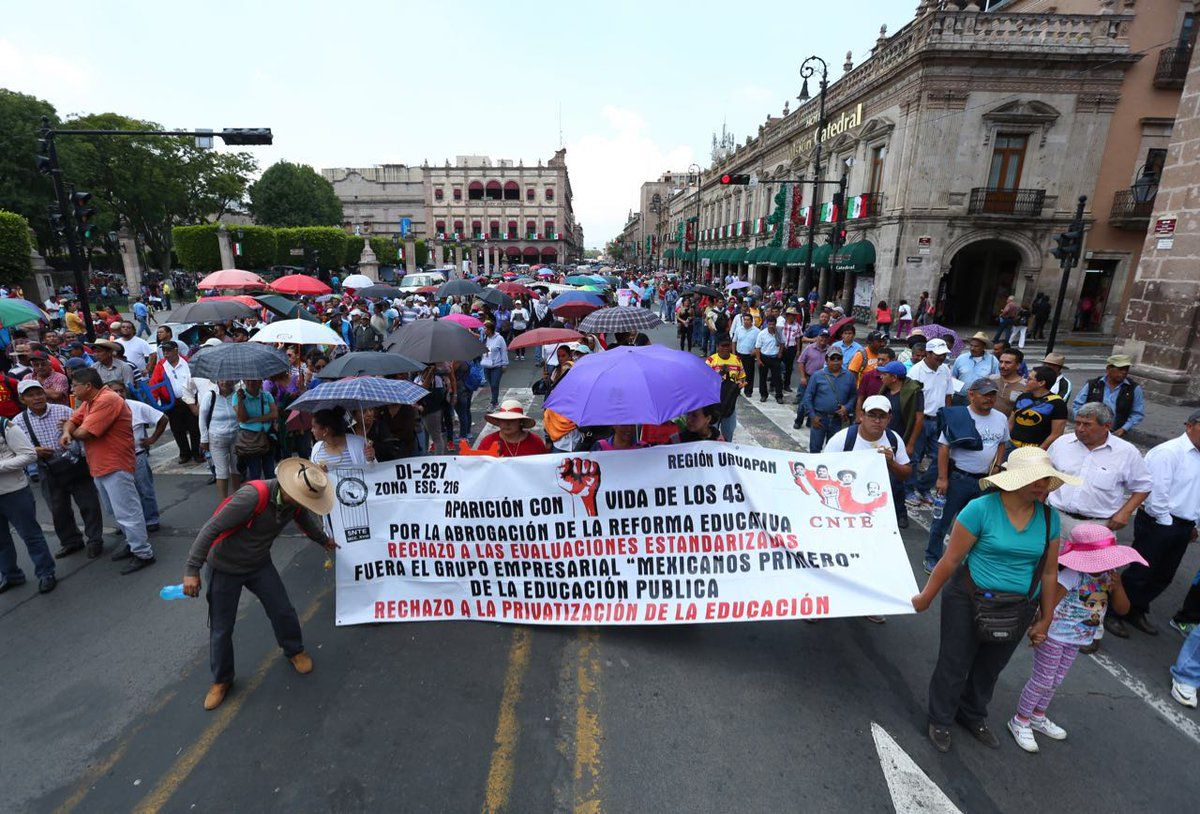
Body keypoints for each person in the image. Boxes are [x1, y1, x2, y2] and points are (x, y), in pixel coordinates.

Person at [913, 446, 1077, 753]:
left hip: (1019, 605)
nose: (1042, 485)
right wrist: (926, 597)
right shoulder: (980, 509)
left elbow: (1049, 573)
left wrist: (1046, 617)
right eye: (1035, 478)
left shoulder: (1049, 518)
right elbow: (950, 561)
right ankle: (941, 718)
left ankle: (972, 714)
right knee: (955, 661)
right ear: (1014, 478)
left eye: (1046, 479)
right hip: (968, 597)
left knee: (990, 666)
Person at [182, 458, 338, 711]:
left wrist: (323, 540)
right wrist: (192, 569)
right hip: (225, 567)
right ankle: (221, 680)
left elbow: (305, 520)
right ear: (288, 489)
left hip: (258, 563)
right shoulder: (252, 496)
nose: (304, 505)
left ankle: (294, 649)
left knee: (282, 609)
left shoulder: (294, 504)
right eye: (303, 500)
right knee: (222, 627)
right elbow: (210, 528)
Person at [1007, 523, 1137, 752]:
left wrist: (1117, 588)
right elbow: (1049, 603)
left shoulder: (1110, 577)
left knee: (1055, 680)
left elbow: (1124, 609)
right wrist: (1039, 627)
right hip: (1055, 634)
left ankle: (1038, 715)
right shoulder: (1071, 575)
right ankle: (1020, 720)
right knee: (1043, 680)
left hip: (1078, 637)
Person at [1046, 401, 1152, 652]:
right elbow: (1045, 476)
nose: (1080, 429)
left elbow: (1143, 485)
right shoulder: (1062, 444)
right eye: (1078, 423)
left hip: (1097, 528)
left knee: (1096, 582)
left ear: (1107, 426)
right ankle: (1045, 615)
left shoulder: (1126, 453)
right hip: (1057, 519)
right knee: (1049, 570)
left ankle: (1091, 630)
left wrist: (1126, 511)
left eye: (1087, 424)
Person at [1109, 410, 1200, 639]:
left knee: (1163, 574)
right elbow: (1157, 491)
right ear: (1189, 425)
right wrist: (1166, 523)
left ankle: (1137, 609)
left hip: (1184, 524)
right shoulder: (1168, 452)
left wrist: (1194, 524)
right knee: (1140, 571)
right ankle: (1114, 613)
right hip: (1160, 521)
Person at [61, 367, 155, 573]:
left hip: (115, 463)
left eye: (74, 385)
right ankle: (133, 544)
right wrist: (68, 430)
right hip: (100, 465)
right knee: (117, 511)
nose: (72, 389)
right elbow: (73, 421)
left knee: (127, 511)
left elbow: (85, 432)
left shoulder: (107, 400)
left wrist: (69, 432)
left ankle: (143, 552)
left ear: (87, 386)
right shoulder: (89, 402)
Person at [924, 378, 1010, 575]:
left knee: (974, 525)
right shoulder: (958, 416)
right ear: (971, 394)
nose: (990, 399)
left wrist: (996, 466)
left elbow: (1003, 442)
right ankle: (932, 557)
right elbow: (944, 448)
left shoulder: (1001, 418)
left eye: (993, 395)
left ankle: (964, 559)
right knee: (942, 521)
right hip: (957, 479)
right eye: (985, 394)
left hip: (984, 482)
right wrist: (943, 478)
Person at [18, 380, 103, 558]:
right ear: (23, 399)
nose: (37, 398)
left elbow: (86, 429)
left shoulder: (63, 410)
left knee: (89, 504)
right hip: (47, 468)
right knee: (58, 509)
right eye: (31, 395)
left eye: (39, 393)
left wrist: (73, 430)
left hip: (74, 464)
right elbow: (16, 449)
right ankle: (71, 541)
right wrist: (34, 451)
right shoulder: (18, 422)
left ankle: (95, 539)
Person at [827, 395, 913, 531]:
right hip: (846, 506)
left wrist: (891, 463)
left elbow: (906, 474)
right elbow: (824, 470)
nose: (877, 421)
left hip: (877, 509)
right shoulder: (842, 439)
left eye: (882, 416)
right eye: (872, 415)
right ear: (862, 416)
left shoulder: (894, 439)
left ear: (889, 419)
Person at [0, 408, 57, 594]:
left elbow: (30, 455)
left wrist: (1, 466)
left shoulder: (5, 427)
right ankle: (10, 574)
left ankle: (46, 572)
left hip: (14, 492)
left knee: (30, 535)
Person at [106, 381, 167, 533]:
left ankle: (151, 519)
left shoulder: (136, 407)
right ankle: (126, 523)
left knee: (144, 490)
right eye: (115, 392)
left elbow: (163, 418)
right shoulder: (102, 410)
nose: (119, 394)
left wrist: (152, 439)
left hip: (136, 456)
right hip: (114, 460)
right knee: (120, 495)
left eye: (121, 391)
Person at [905, 338, 955, 506]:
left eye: (943, 355)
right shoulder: (915, 372)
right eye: (938, 355)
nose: (941, 358)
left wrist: (948, 417)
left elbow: (949, 395)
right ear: (928, 353)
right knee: (914, 457)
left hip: (939, 419)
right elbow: (910, 401)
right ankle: (909, 489)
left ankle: (923, 486)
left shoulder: (945, 370)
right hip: (921, 420)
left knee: (939, 456)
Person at [798, 348, 856, 452]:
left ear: (842, 360)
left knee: (834, 450)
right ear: (827, 360)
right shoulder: (817, 375)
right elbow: (808, 397)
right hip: (819, 419)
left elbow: (853, 396)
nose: (836, 361)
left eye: (839, 358)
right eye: (832, 358)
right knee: (815, 449)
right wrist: (812, 416)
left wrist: (846, 408)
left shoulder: (849, 376)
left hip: (837, 420)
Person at [1072, 354, 1144, 438]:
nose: (1124, 372)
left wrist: (1123, 429)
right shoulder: (1093, 384)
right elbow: (1077, 405)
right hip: (1090, 432)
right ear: (1108, 369)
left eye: (1126, 369)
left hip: (1116, 434)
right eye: (1120, 369)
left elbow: (1137, 413)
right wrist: (1083, 424)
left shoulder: (1134, 388)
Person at [155, 340, 203, 464]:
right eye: (164, 351)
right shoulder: (161, 365)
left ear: (176, 350)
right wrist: (156, 401)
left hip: (190, 401)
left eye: (168, 350)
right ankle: (184, 453)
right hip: (172, 403)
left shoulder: (188, 362)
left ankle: (197, 453)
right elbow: (154, 383)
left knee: (195, 428)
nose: (166, 354)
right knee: (177, 430)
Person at [1009, 366, 1068, 451]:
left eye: (1029, 379)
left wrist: (1038, 451)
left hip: (1035, 449)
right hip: (1011, 445)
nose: (1026, 381)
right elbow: (1011, 422)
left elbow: (1056, 434)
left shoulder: (1057, 403)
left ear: (1041, 383)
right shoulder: (1022, 397)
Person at [200, 380, 241, 499]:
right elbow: (202, 418)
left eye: (228, 379)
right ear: (217, 381)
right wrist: (204, 439)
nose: (225, 382)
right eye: (222, 379)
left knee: (236, 468)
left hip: (236, 436)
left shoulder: (237, 395)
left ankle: (237, 498)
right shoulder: (210, 396)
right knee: (222, 471)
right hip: (217, 438)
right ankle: (224, 502)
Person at [233, 379, 278, 481]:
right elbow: (242, 419)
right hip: (249, 441)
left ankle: (271, 495)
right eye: (248, 380)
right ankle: (257, 496)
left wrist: (254, 419)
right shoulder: (237, 396)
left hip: (267, 437)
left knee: (270, 472)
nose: (251, 383)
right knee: (255, 473)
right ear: (244, 381)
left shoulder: (266, 395)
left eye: (254, 380)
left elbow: (274, 414)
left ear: (260, 381)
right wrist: (240, 400)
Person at [706, 334, 746, 444]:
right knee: (711, 435)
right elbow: (704, 382)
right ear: (717, 346)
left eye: (727, 346)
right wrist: (721, 373)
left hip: (730, 404)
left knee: (728, 435)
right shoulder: (710, 361)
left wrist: (740, 384)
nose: (725, 348)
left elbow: (742, 378)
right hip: (714, 404)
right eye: (722, 346)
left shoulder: (737, 360)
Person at [477, 400, 547, 457]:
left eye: (512, 420)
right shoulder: (488, 442)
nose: (507, 424)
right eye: (503, 419)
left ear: (520, 421)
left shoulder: (535, 443)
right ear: (498, 421)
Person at [480, 321, 508, 411]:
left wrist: (504, 364)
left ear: (490, 329)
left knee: (495, 384)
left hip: (497, 365)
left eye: (485, 329)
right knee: (491, 385)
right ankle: (494, 400)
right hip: (486, 365)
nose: (484, 330)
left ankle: (494, 402)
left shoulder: (499, 339)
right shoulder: (485, 338)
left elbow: (504, 351)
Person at [753, 318, 783, 403]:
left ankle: (779, 396)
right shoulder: (762, 334)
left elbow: (782, 342)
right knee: (763, 378)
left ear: (775, 324)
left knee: (777, 378)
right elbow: (758, 347)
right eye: (770, 324)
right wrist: (758, 359)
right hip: (764, 357)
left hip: (775, 358)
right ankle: (763, 395)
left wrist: (780, 352)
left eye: (773, 324)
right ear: (767, 324)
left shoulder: (779, 333)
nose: (771, 326)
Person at [732, 313, 760, 397]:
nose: (746, 321)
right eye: (745, 320)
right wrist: (733, 353)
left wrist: (755, 350)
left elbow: (759, 344)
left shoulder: (757, 331)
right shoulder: (738, 329)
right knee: (737, 374)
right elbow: (734, 341)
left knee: (749, 374)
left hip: (749, 356)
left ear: (752, 321)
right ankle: (737, 389)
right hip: (739, 354)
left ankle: (748, 391)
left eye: (748, 320)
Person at [779, 308, 802, 392]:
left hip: (791, 348)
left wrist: (798, 350)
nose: (793, 317)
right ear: (787, 315)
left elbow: (798, 338)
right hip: (782, 347)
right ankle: (775, 383)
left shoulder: (797, 326)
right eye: (791, 315)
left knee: (789, 368)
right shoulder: (781, 324)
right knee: (777, 366)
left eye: (794, 315)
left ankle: (786, 385)